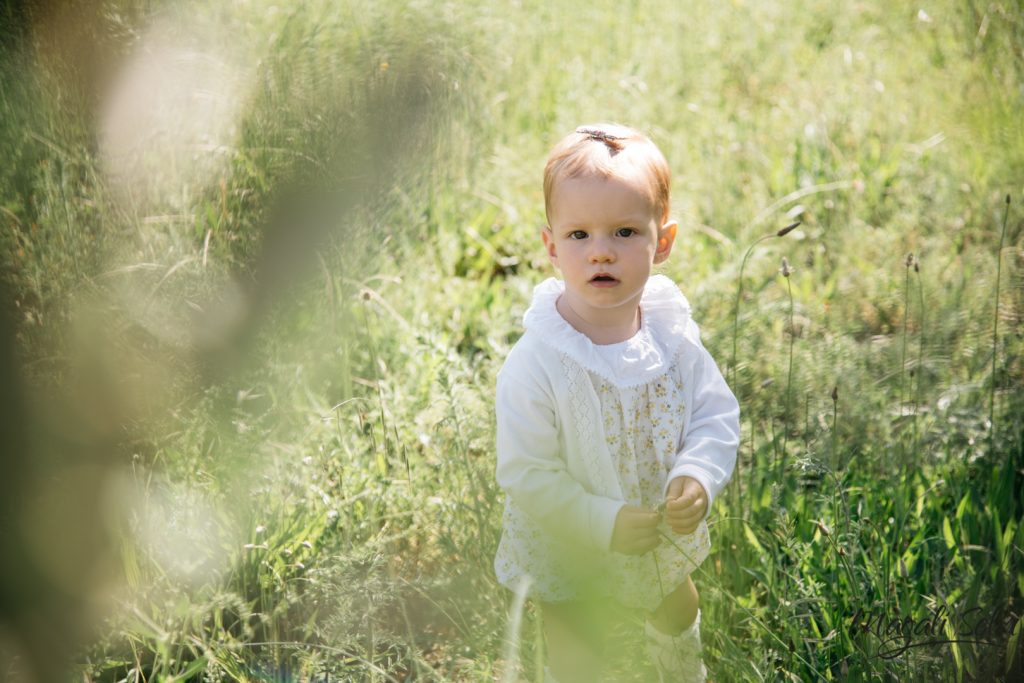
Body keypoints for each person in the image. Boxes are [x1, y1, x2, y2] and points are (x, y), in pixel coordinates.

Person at [493, 123, 739, 682]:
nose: (601, 251)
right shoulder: (538, 362)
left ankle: (680, 675)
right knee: (579, 651)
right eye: (579, 236)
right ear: (552, 246)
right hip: (569, 540)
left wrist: (698, 474)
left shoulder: (672, 337)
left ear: (664, 241)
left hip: (655, 526)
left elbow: (713, 413)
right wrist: (599, 521)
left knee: (676, 607)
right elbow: (526, 472)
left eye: (625, 231)